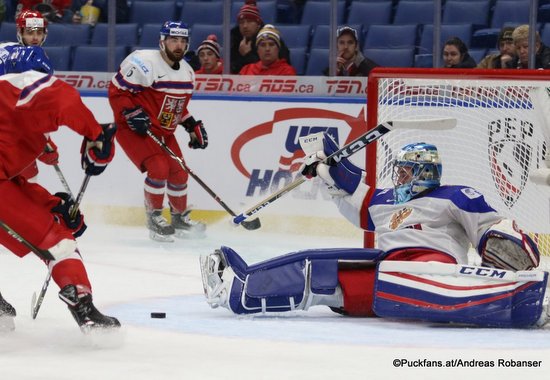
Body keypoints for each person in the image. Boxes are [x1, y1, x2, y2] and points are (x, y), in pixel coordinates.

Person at [200, 133, 549, 328]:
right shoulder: (384, 199)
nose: (397, 176)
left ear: (423, 173)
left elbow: (490, 227)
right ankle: (239, 289)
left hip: (432, 265)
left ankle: (526, 302)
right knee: (319, 274)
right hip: (387, 272)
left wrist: (505, 244)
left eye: (404, 171)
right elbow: (355, 194)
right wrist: (327, 171)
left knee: (410, 275)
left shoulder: (454, 196)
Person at [0, 45, 120, 332]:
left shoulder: (14, 129)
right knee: (60, 243)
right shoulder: (15, 83)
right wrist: (96, 134)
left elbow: (11, 186)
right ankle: (83, 306)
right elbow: (63, 99)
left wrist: (52, 204)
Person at [108, 21, 208, 243]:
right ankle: (153, 217)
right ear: (162, 42)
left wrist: (191, 125)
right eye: (174, 40)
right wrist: (130, 112)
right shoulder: (143, 62)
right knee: (158, 167)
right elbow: (116, 92)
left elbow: (175, 106)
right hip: (133, 128)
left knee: (180, 172)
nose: (179, 45)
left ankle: (178, 218)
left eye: (183, 41)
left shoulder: (188, 73)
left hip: (162, 130)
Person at [0, 9, 59, 183]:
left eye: (38, 32)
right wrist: (42, 142)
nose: (34, 37)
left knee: (28, 177)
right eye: (29, 32)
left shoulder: (6, 48)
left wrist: (43, 143)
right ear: (20, 33)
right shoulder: (36, 58)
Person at [230, 0, 290, 74]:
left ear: (258, 24)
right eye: (241, 23)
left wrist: (247, 55)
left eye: (249, 21)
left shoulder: (271, 36)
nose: (245, 26)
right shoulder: (235, 38)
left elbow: (281, 64)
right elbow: (232, 70)